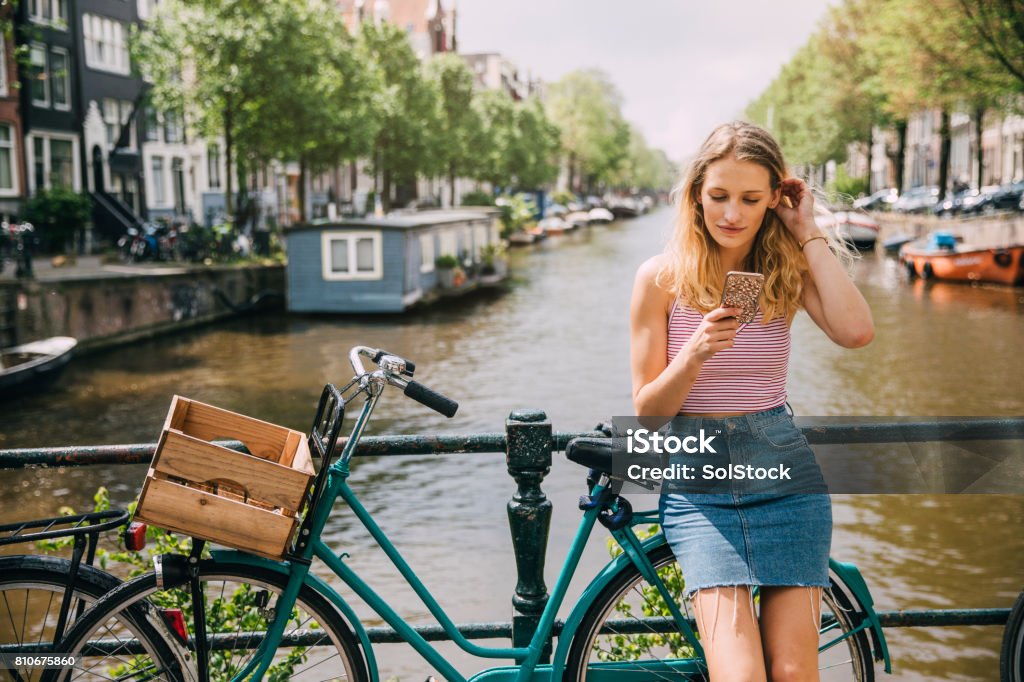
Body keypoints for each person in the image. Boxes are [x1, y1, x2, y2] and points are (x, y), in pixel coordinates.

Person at [629, 121, 874, 681]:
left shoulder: (781, 271)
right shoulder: (661, 279)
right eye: (718, 196)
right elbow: (647, 414)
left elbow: (857, 332)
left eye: (750, 199)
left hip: (785, 480)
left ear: (773, 201)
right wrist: (692, 355)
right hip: (700, 487)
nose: (732, 214)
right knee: (739, 674)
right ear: (696, 194)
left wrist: (807, 230)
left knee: (793, 674)